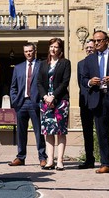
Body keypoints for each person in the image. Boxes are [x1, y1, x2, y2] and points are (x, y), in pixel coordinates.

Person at [82, 30, 109, 174]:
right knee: (102, 133)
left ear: (107, 41)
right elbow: (84, 79)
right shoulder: (89, 59)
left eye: (99, 40)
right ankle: (106, 163)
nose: (96, 43)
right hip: (98, 99)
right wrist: (90, 82)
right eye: (95, 40)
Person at [9, 43, 47, 167]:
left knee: (39, 132)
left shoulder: (42, 65)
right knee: (21, 132)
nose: (29, 53)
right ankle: (20, 157)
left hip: (35, 102)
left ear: (34, 51)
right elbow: (13, 87)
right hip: (21, 103)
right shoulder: (18, 68)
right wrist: (14, 101)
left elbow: (45, 84)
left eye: (30, 51)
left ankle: (42, 157)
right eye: (26, 51)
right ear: (24, 53)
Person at [37, 37, 71, 171]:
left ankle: (60, 160)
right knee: (48, 131)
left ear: (60, 49)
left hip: (60, 101)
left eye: (56, 47)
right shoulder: (43, 64)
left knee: (60, 131)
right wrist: (45, 96)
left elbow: (65, 82)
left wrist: (53, 96)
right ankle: (50, 160)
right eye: (51, 46)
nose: (53, 49)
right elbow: (39, 82)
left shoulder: (65, 63)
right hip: (45, 101)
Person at [77, 39, 96, 169]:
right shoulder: (80, 64)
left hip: (100, 101)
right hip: (85, 102)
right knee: (87, 133)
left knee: (102, 131)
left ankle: (107, 159)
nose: (89, 49)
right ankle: (89, 159)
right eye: (87, 48)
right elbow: (81, 83)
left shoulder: (100, 62)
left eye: (91, 47)